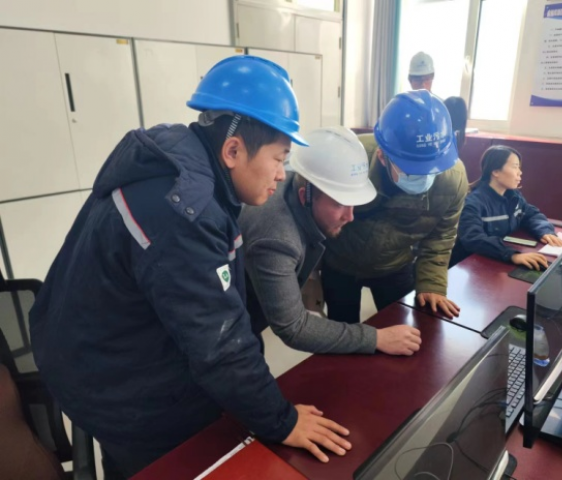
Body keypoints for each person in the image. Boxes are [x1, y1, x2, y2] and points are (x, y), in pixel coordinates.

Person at [28, 56, 351, 479]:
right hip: (111, 380)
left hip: (92, 345)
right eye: (279, 158)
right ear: (233, 150)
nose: (281, 175)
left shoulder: (178, 159)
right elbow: (221, 345)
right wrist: (282, 421)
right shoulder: (185, 211)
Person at [240, 126, 422, 357]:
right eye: (339, 204)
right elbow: (294, 327)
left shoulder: (300, 177)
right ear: (306, 196)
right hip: (227, 327)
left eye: (352, 202)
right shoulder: (277, 238)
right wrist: (376, 338)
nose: (350, 216)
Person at [322, 90, 468, 323]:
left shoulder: (453, 179)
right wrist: (308, 275)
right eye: (412, 169)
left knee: (404, 331)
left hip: (395, 265)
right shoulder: (349, 158)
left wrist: (432, 284)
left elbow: (441, 237)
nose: (423, 176)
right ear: (382, 156)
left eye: (431, 168)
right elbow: (314, 214)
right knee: (342, 333)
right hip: (340, 262)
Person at [449, 145, 562, 269]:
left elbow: (531, 214)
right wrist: (512, 255)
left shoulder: (513, 196)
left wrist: (544, 231)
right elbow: (474, 238)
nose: (520, 172)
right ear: (495, 171)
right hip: (469, 264)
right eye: (515, 167)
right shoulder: (472, 202)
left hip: (496, 258)